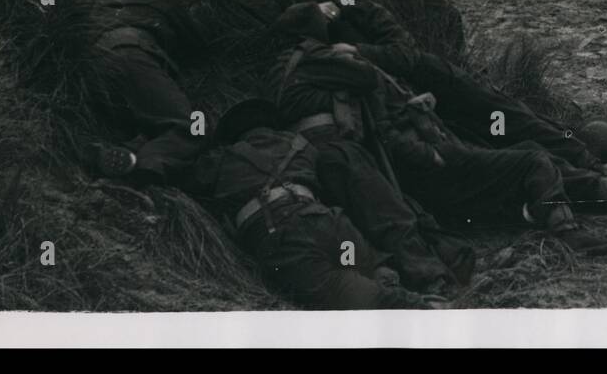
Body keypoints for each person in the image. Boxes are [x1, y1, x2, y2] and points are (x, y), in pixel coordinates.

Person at [268, 3, 607, 255]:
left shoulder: (324, 81)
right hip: (429, 162)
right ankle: (570, 225)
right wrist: (427, 146)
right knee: (531, 159)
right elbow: (387, 133)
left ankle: (597, 190)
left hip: (435, 154)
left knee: (516, 152)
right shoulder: (350, 77)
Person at [188, 100, 443, 309]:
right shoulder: (299, 144)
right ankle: (398, 292)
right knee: (369, 265)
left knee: (342, 288)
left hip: (282, 235)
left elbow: (194, 176)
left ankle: (422, 309)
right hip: (327, 221)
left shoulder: (223, 158)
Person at [84, 0, 208, 186]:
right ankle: (139, 170)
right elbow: (199, 45)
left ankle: (111, 152)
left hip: (90, 64)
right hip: (132, 56)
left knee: (144, 120)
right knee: (193, 126)